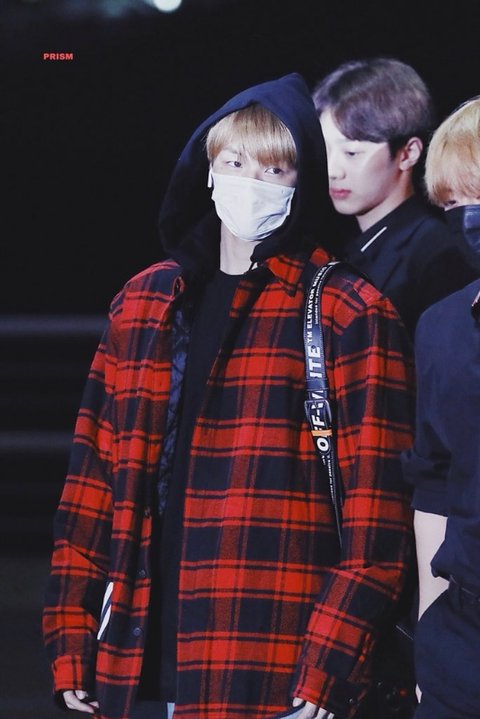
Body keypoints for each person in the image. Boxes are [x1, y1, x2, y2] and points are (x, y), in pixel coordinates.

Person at [43, 73, 415, 719]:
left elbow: (376, 521)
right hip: (132, 652)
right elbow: (90, 488)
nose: (250, 182)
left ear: (302, 183)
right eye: (235, 163)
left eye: (274, 169)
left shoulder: (348, 312)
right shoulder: (146, 303)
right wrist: (69, 641)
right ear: (207, 170)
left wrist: (327, 667)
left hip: (272, 652)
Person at [402, 96, 480, 719]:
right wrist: (430, 645)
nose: (469, 222)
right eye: (455, 207)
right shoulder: (442, 326)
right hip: (460, 637)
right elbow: (433, 483)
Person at [312, 57, 480, 338]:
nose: (333, 171)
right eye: (325, 150)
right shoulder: (350, 249)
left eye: (352, 152)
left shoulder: (436, 254)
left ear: (408, 153)